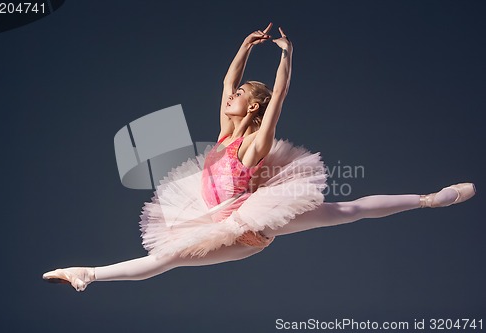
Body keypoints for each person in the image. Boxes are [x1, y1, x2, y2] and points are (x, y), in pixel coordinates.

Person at [43, 23, 476, 292]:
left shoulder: (252, 146)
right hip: (217, 222)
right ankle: (88, 275)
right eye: (232, 95)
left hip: (253, 226)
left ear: (251, 108)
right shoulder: (226, 134)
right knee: (169, 259)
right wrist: (245, 46)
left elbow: (278, 98)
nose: (229, 97)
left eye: (239, 97)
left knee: (349, 208)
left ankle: (429, 199)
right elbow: (226, 81)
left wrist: (286, 57)